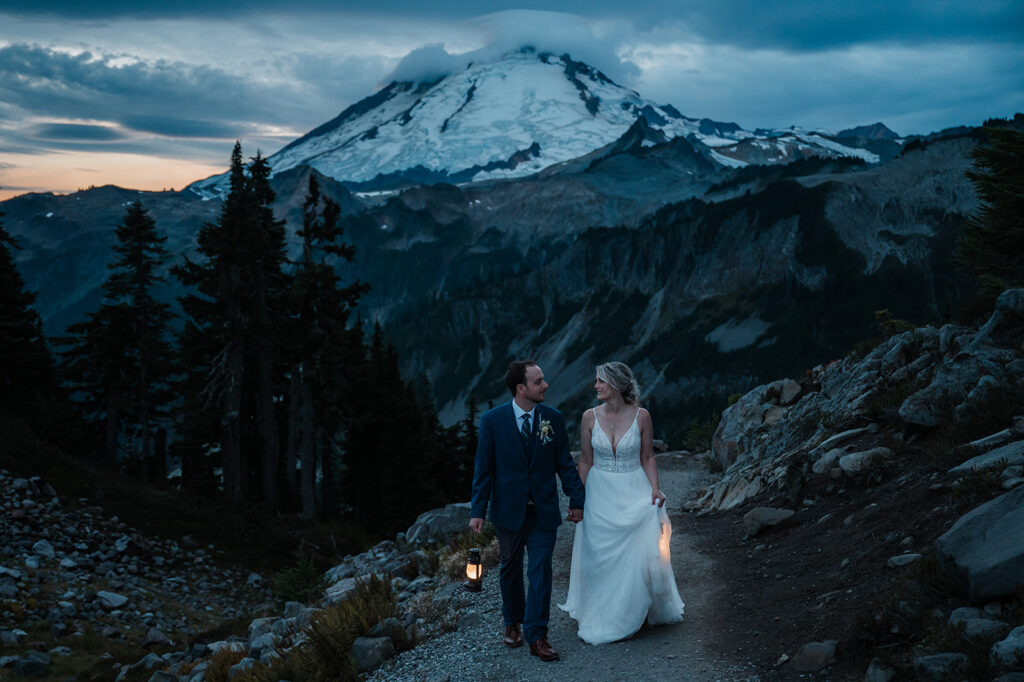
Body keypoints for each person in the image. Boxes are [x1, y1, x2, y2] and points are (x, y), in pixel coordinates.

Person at [559, 361, 684, 644]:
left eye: (600, 381)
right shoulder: (589, 417)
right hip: (599, 492)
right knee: (599, 556)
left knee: (640, 552)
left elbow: (647, 457)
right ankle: (601, 608)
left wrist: (655, 488)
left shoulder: (642, 416)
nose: (596, 386)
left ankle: (631, 609)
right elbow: (586, 461)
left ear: (614, 383)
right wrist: (576, 499)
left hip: (633, 487)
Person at [470, 359, 586, 662]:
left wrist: (576, 499)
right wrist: (477, 510)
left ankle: (537, 635)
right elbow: (484, 469)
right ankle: (512, 621)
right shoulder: (493, 421)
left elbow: (564, 463)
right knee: (510, 567)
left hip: (543, 511)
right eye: (538, 381)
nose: (546, 385)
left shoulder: (553, 418)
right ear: (521, 388)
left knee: (540, 570)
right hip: (508, 511)